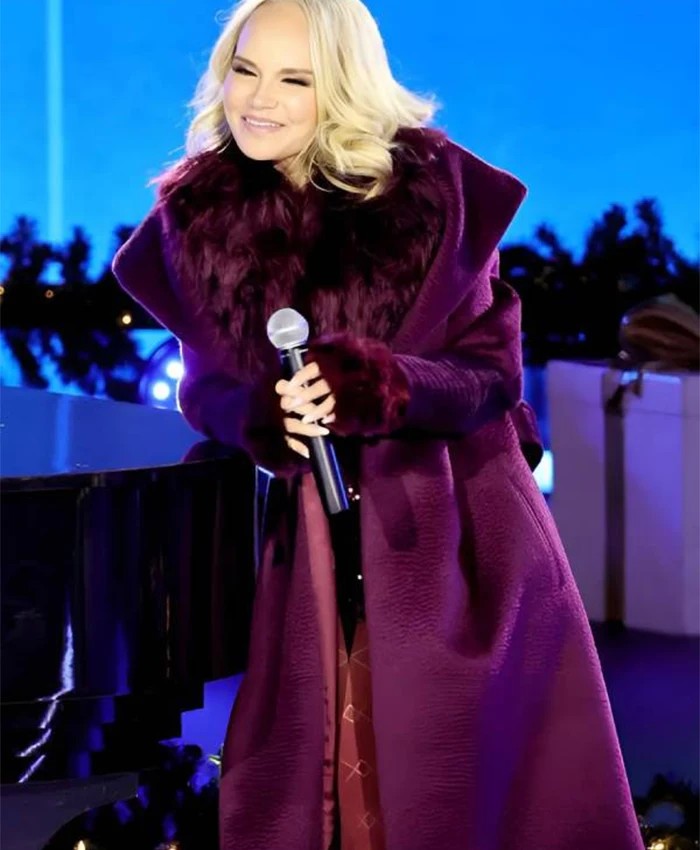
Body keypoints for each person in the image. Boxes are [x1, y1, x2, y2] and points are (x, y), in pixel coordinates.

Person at [112, 1, 645, 848]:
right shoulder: (202, 223)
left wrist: (381, 383)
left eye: (295, 80)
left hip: (457, 537)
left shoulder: (434, 200)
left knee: (460, 786)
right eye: (245, 71)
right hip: (309, 555)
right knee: (326, 784)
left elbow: (490, 373)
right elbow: (205, 387)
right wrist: (262, 415)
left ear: (343, 86)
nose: (259, 99)